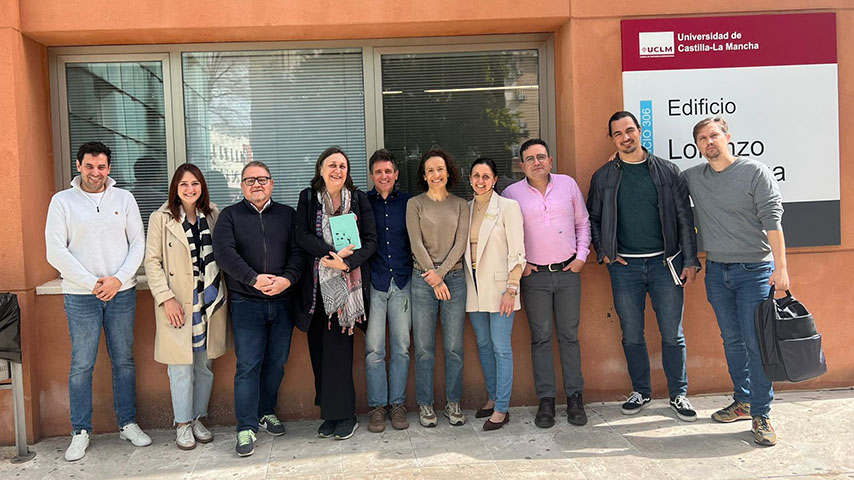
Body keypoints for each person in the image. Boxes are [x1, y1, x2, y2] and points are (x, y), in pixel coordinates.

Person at [682, 116, 789, 446]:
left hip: (754, 271)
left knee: (755, 343)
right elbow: (658, 177)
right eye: (702, 139)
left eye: (714, 135)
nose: (709, 142)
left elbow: (773, 222)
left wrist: (781, 269)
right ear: (697, 146)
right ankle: (743, 401)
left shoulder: (755, 172)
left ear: (728, 137)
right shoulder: (693, 177)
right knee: (732, 340)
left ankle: (761, 414)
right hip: (717, 271)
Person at [587, 111, 700, 422]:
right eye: (618, 133)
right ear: (612, 139)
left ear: (639, 131)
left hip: (666, 265)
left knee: (672, 333)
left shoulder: (668, 171)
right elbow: (593, 218)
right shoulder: (604, 176)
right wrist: (605, 253)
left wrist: (690, 260)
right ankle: (641, 391)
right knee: (632, 334)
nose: (625, 137)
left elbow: (684, 218)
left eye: (629, 130)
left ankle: (678, 393)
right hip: (625, 269)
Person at [45, 141, 151, 462]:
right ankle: (80, 431)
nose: (95, 172)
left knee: (124, 361)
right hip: (81, 296)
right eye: (89, 166)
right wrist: (92, 283)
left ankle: (127, 423)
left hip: (122, 292)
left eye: (101, 166)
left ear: (109, 168)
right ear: (78, 166)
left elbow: (138, 243)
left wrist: (118, 279)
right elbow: (55, 251)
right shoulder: (62, 201)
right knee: (82, 364)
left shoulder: (124, 198)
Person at [212, 160, 304, 457]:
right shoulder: (230, 216)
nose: (257, 185)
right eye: (250, 180)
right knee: (248, 365)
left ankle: (265, 411)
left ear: (271, 183)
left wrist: (287, 280)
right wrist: (253, 279)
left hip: (282, 301)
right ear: (242, 186)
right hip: (246, 303)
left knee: (277, 362)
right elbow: (224, 254)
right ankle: (246, 426)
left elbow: (298, 253)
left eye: (262, 179)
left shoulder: (288, 215)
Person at [502, 138, 590, 428]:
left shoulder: (568, 185)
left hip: (568, 273)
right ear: (521, 165)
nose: (536, 162)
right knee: (540, 338)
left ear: (550, 160)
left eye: (541, 157)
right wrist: (522, 264)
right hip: (535, 277)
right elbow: (506, 234)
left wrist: (581, 256)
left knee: (569, 337)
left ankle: (575, 398)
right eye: (530, 158)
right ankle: (546, 401)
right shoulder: (512, 194)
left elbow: (583, 223)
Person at [295, 147, 377, 441]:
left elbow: (370, 240)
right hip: (316, 290)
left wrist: (346, 263)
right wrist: (330, 254)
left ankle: (346, 415)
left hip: (346, 292)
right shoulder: (308, 198)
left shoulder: (358, 199)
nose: (337, 170)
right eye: (332, 165)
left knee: (339, 354)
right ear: (321, 169)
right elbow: (301, 235)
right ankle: (329, 415)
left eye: (342, 166)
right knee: (319, 352)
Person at [144, 164, 228, 450]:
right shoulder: (161, 217)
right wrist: (165, 298)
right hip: (178, 300)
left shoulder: (213, 214)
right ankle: (182, 424)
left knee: (204, 364)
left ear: (202, 186)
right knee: (180, 366)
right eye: (184, 184)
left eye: (195, 183)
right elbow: (152, 262)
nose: (190, 189)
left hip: (208, 299)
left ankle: (197, 418)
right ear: (175, 189)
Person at [406, 149, 470, 428]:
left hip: (453, 280)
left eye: (440, 169)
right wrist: (433, 277)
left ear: (448, 172)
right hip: (422, 281)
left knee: (454, 347)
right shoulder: (415, 204)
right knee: (424, 348)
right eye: (430, 170)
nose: (435, 174)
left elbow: (461, 243)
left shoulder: (460, 205)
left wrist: (441, 275)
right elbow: (416, 243)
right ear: (424, 175)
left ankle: (453, 402)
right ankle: (426, 404)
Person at [463, 158, 525, 431]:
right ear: (470, 179)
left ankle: (502, 408)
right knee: (484, 345)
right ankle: (492, 397)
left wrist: (512, 288)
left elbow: (518, 252)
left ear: (495, 180)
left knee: (501, 348)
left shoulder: (508, 207)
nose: (480, 181)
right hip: (473, 287)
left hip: (502, 288)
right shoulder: (465, 209)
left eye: (486, 176)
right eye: (476, 175)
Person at [364, 149, 413, 432]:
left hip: (402, 282)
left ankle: (397, 405)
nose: (384, 176)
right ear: (372, 175)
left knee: (402, 348)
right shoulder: (362, 203)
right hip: (375, 283)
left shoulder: (409, 203)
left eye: (388, 171)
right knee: (374, 349)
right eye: (378, 172)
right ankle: (377, 407)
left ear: (396, 174)